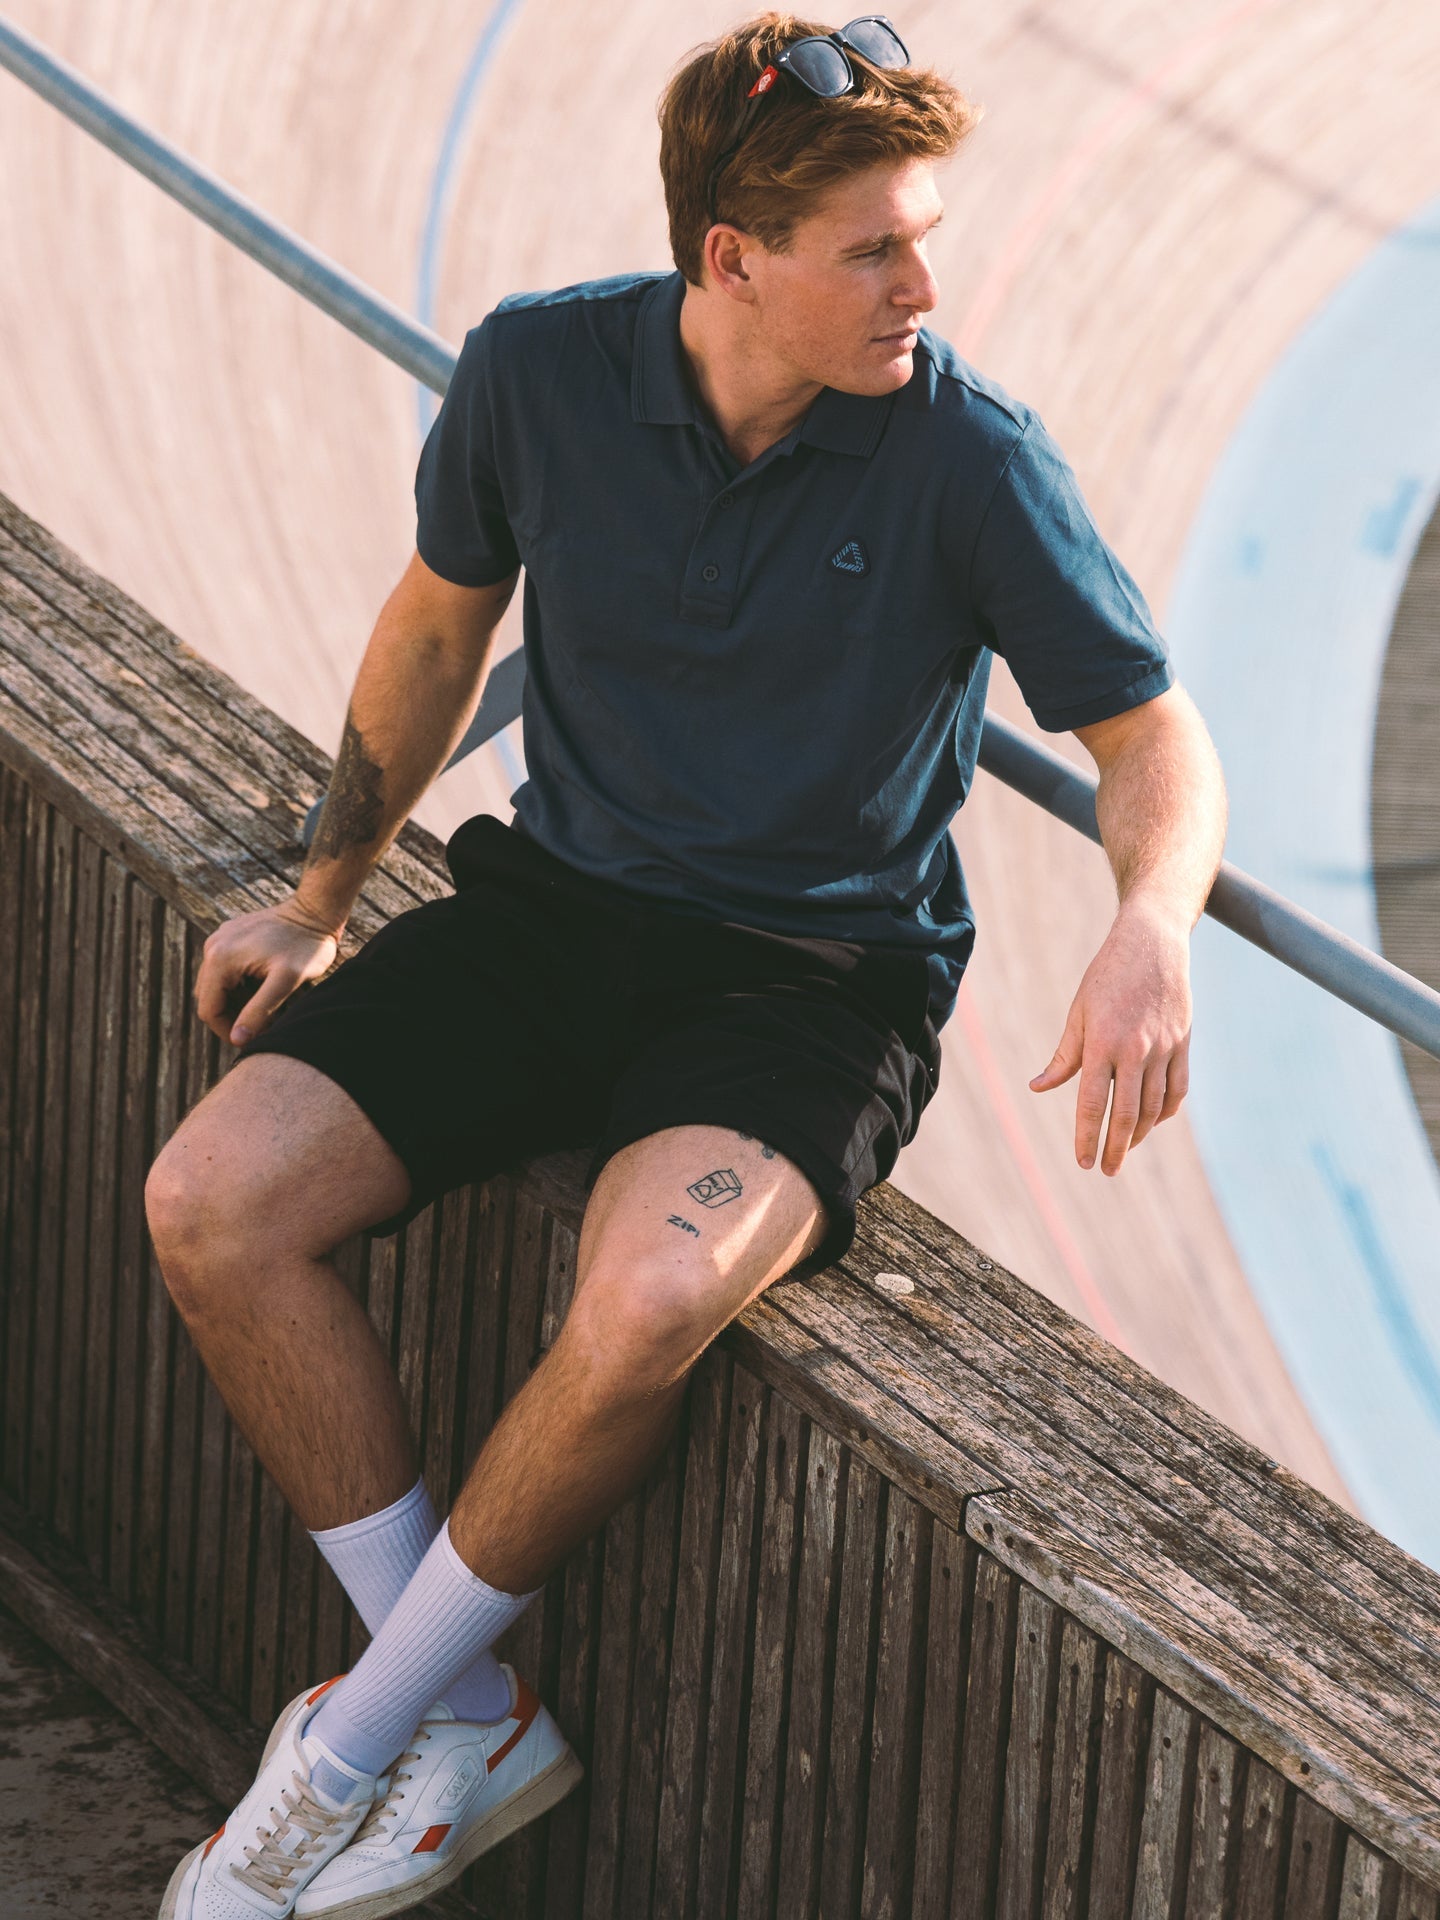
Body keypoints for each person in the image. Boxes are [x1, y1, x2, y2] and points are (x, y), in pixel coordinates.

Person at [145, 11, 1226, 1917]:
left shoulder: (969, 457)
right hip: (553, 913)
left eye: (926, 235)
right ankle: (454, 1711)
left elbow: (1147, 738)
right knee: (211, 1201)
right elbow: (429, 636)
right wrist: (323, 893)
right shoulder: (538, 373)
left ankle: (328, 1767)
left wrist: (1148, 928)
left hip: (811, 986)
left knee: (649, 1299)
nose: (926, 285)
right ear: (732, 260)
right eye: (875, 249)